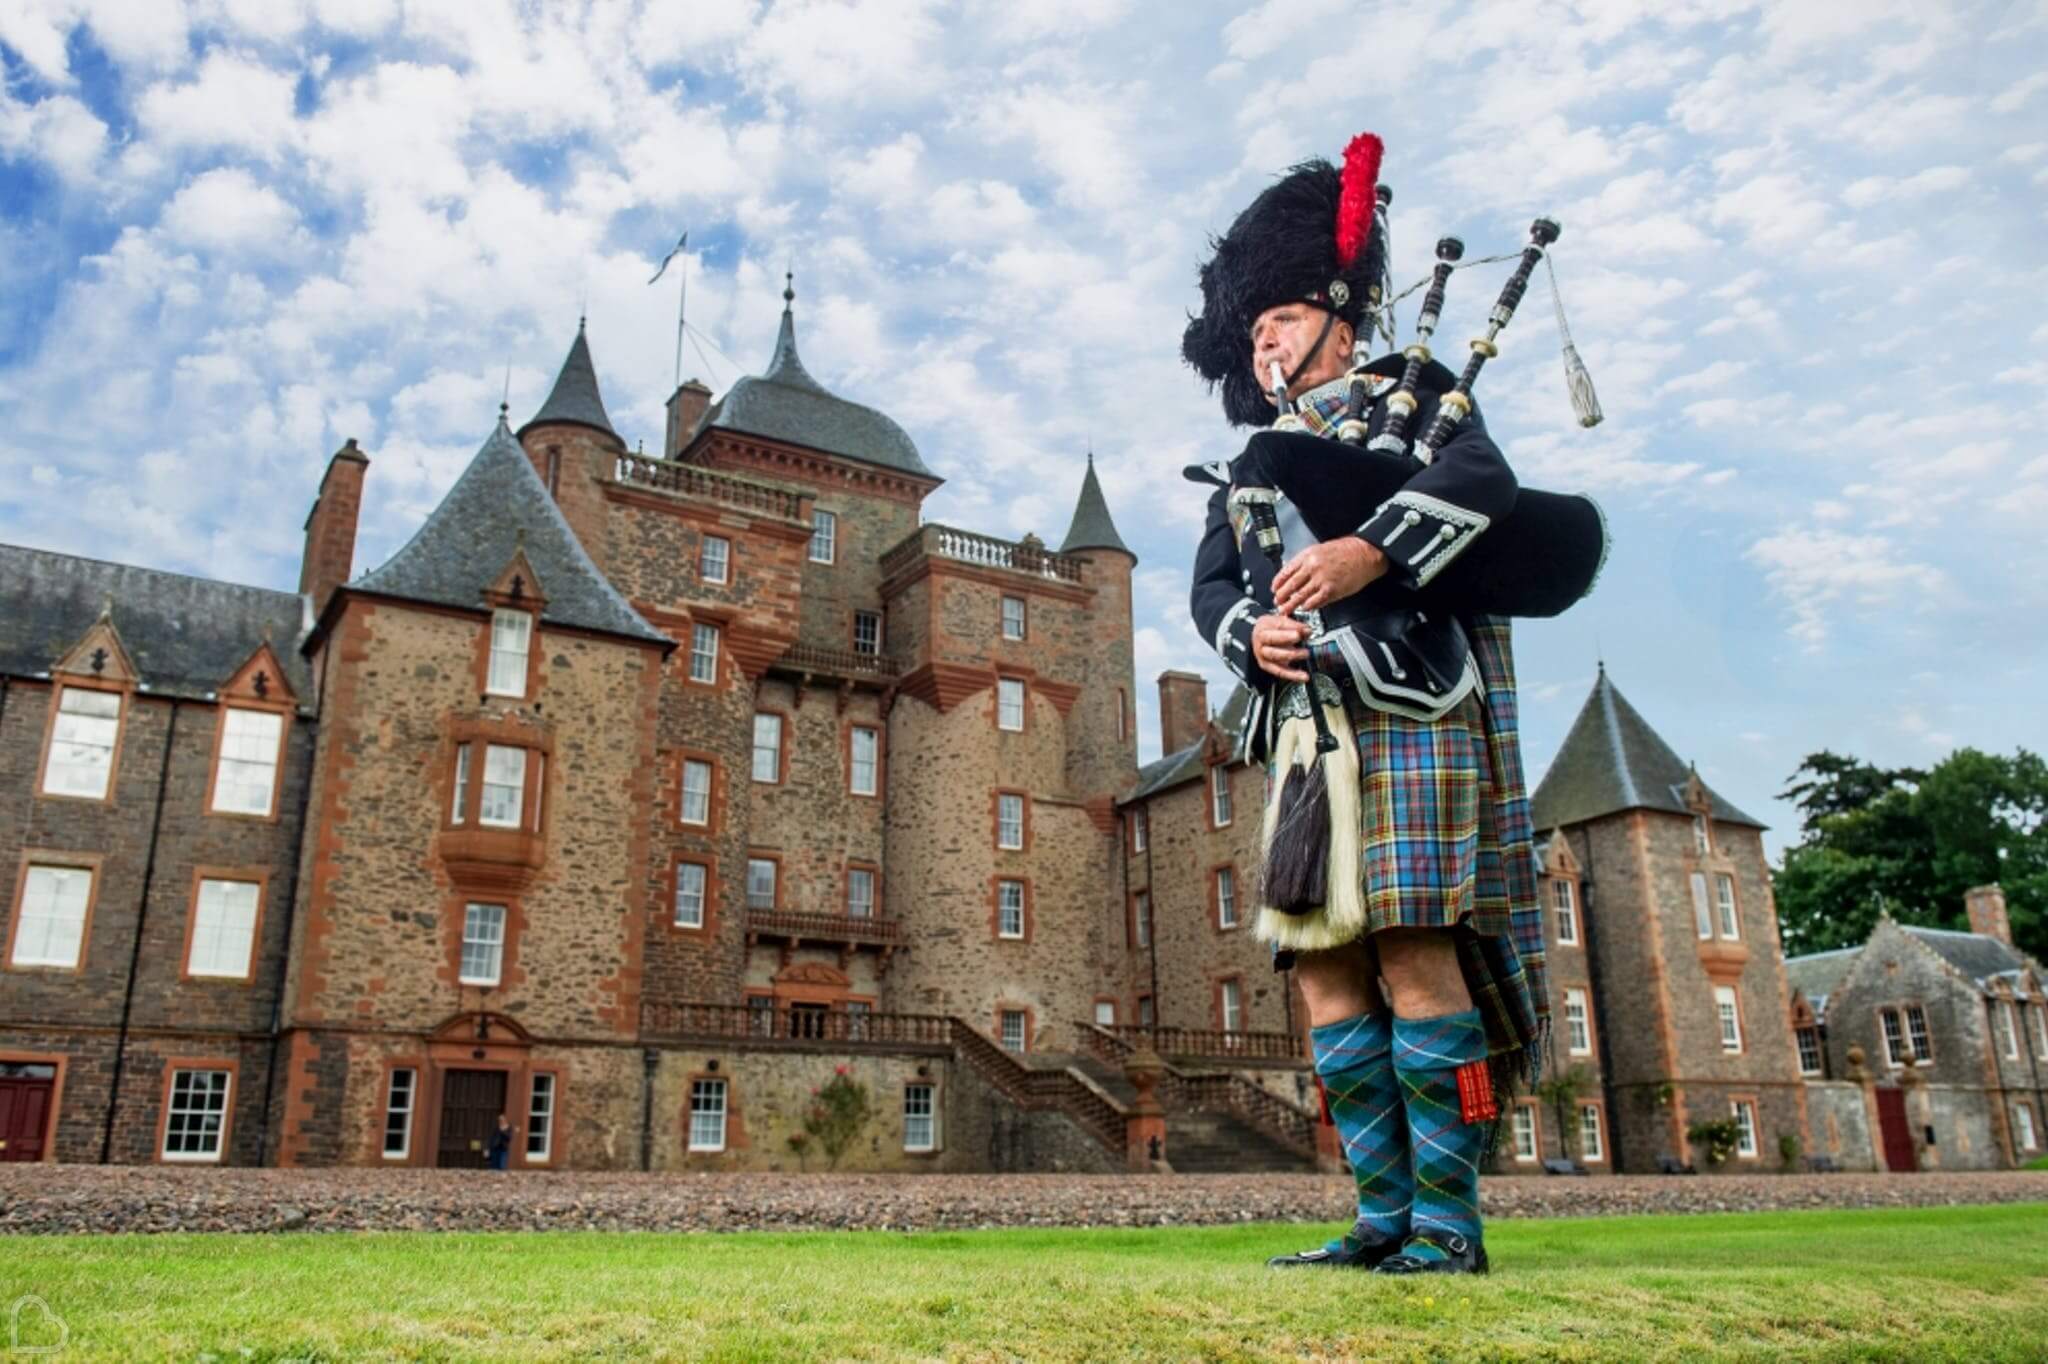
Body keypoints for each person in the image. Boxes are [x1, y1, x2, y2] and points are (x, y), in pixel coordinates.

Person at [1181, 133, 1548, 1276]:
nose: (1264, 345)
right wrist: (1253, 634)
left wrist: (1359, 553)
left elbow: (1482, 486)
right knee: (1326, 970)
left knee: (1410, 954)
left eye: (1277, 321)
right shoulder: (1253, 457)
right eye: (1252, 333)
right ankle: (1379, 1218)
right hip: (1300, 735)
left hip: (1411, 710)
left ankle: (1447, 1224)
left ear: (1338, 314)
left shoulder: (1419, 395)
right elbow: (1206, 585)